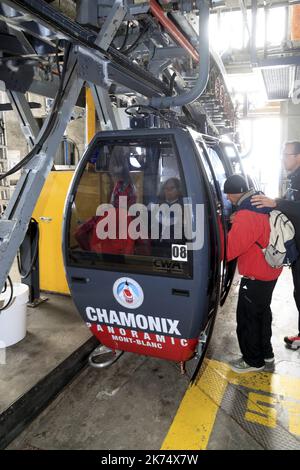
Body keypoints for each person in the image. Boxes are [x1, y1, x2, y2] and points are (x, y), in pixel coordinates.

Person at [224, 174, 283, 373]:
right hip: (270, 271)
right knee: (262, 315)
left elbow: (229, 250)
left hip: (256, 275)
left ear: (232, 195)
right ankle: (267, 354)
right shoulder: (260, 202)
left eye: (228, 196)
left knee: (248, 319)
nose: (227, 200)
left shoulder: (247, 214)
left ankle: (252, 361)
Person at [251, 141, 300, 350]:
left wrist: (276, 203)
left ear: (298, 156)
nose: (283, 158)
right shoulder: (293, 178)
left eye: (286, 154)